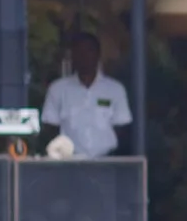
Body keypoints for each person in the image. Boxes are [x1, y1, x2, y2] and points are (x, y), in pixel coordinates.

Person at [41, 30, 132, 158]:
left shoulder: (115, 90)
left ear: (98, 54)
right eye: (78, 52)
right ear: (72, 56)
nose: (84, 56)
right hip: (69, 163)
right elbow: (50, 127)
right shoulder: (58, 89)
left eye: (89, 51)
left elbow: (122, 127)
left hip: (107, 162)